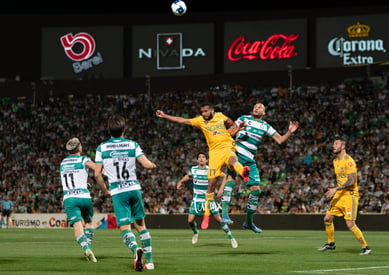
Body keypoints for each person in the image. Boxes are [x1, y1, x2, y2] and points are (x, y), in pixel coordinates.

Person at [156, 103, 250, 230]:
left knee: (233, 159)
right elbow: (183, 121)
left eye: (205, 111)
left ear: (212, 110)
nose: (203, 113)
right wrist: (165, 115)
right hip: (214, 153)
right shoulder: (200, 121)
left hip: (227, 147)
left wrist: (236, 128)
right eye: (202, 112)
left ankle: (244, 172)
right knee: (211, 185)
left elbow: (231, 125)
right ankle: (207, 215)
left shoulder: (220, 116)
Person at [220, 103, 299, 233]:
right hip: (237, 153)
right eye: (256, 107)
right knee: (230, 178)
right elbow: (228, 132)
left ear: (264, 112)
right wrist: (237, 130)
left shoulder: (265, 126)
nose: (257, 108)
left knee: (256, 191)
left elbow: (279, 140)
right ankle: (224, 214)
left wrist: (289, 131)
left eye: (260, 107)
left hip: (249, 160)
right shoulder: (243, 118)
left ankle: (249, 221)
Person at [94, 114, 157, 271]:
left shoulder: (102, 148)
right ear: (124, 130)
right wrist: (152, 166)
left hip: (118, 191)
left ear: (109, 130)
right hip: (134, 189)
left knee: (125, 228)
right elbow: (146, 164)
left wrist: (105, 190)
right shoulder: (132, 145)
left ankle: (136, 249)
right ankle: (149, 261)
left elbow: (97, 174)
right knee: (141, 225)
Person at [318, 136, 372, 255]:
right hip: (339, 195)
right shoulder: (335, 161)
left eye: (336, 144)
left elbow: (351, 181)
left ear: (343, 146)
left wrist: (335, 189)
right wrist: (335, 190)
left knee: (350, 224)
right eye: (333, 144)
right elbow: (341, 179)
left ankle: (366, 247)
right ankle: (331, 243)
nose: (333, 146)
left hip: (350, 195)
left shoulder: (349, 161)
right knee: (327, 218)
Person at [60, 137, 110, 262]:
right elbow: (96, 168)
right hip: (83, 196)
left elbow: (71, 177)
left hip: (69, 198)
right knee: (88, 222)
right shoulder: (84, 159)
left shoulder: (63, 162)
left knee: (77, 226)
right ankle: (89, 246)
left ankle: (86, 248)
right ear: (79, 148)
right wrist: (107, 173)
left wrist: (83, 182)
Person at [176, 152, 238, 248]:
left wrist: (221, 189)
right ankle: (196, 232)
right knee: (190, 220)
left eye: (203, 157)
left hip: (208, 198)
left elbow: (225, 176)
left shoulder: (211, 169)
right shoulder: (193, 169)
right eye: (199, 157)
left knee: (218, 219)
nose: (201, 159)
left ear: (206, 160)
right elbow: (188, 176)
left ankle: (231, 237)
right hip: (197, 199)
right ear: (197, 160)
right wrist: (180, 182)